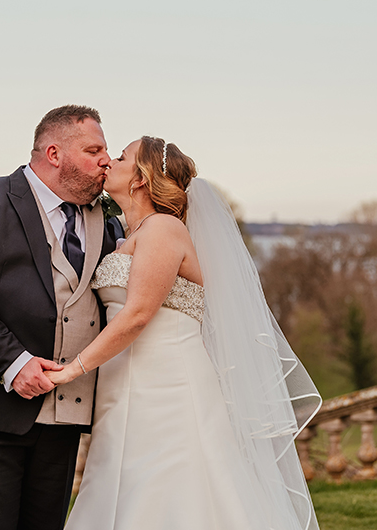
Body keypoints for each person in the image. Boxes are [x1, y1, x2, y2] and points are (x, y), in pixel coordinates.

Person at [47, 137, 321, 530]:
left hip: (169, 387)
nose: (109, 161)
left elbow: (138, 314)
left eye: (121, 157)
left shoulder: (163, 228)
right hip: (123, 387)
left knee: (173, 491)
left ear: (141, 179)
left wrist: (73, 369)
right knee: (120, 487)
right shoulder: (130, 234)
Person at [0, 105, 125, 530]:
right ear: (54, 153)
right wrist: (14, 364)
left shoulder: (108, 222)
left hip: (65, 416)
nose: (106, 161)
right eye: (94, 151)